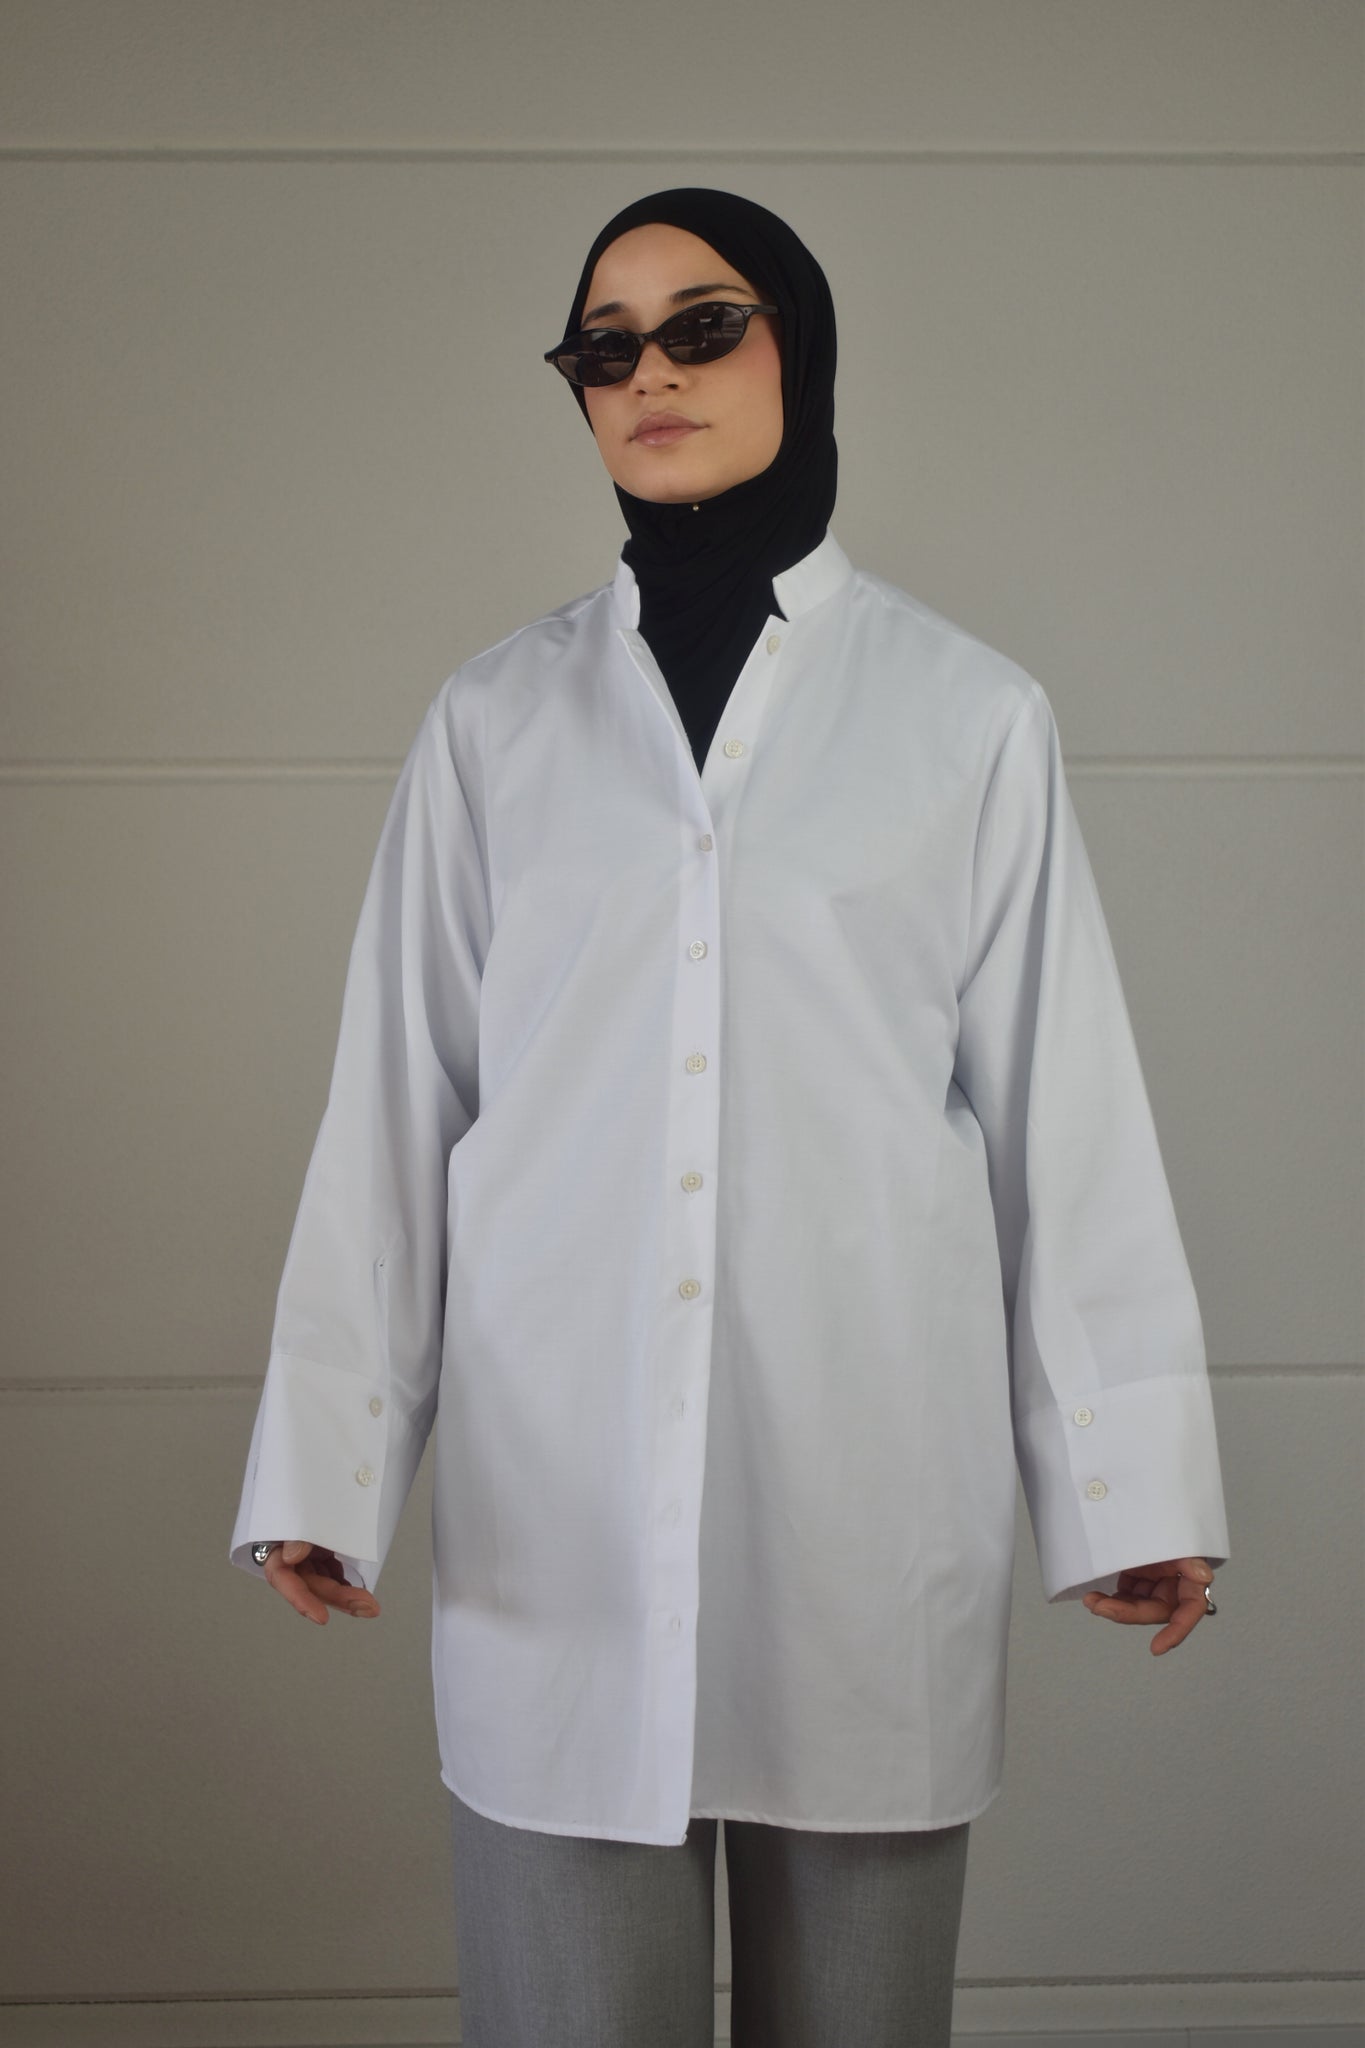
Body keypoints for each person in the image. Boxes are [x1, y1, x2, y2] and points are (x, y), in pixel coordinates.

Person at [230, 188, 1230, 2048]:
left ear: (802, 351)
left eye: (704, 325)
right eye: (602, 347)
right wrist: (328, 1460)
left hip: (863, 1505)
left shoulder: (964, 715)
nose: (650, 375)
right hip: (558, 1521)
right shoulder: (492, 724)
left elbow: (1063, 1113)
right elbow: (398, 1101)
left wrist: (1130, 1487)